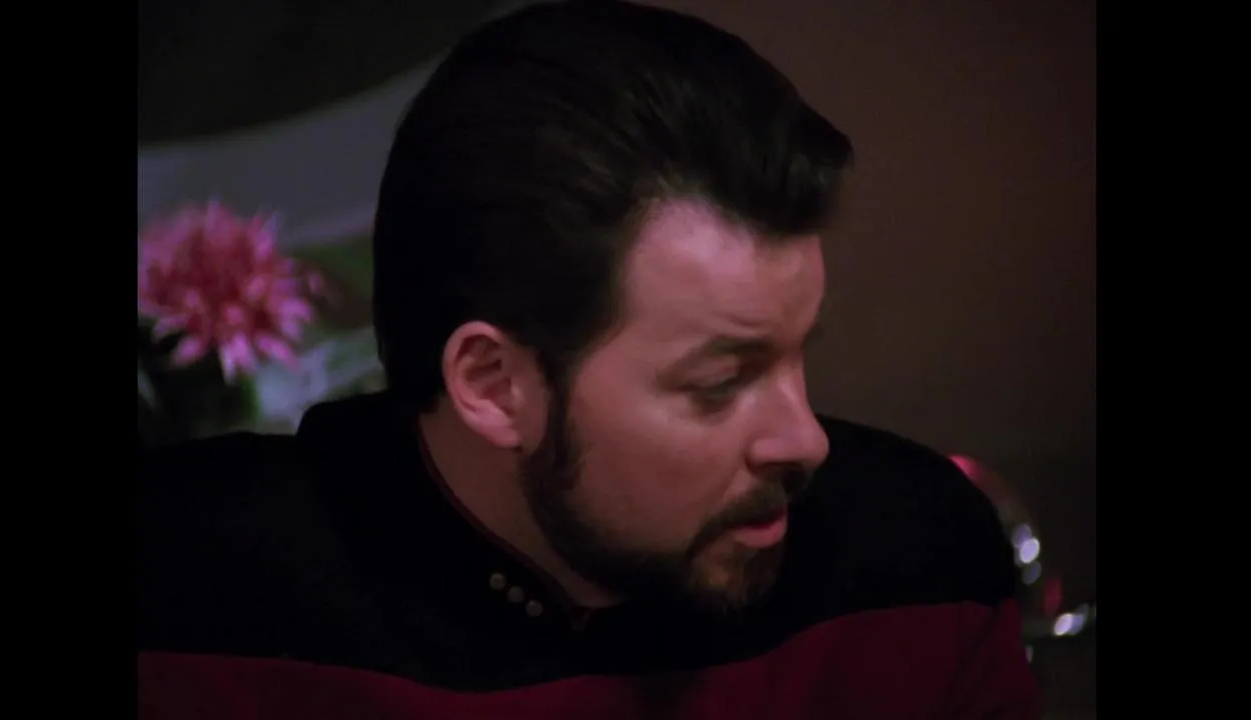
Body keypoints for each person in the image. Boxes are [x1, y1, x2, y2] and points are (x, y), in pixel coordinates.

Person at [137, 1, 1041, 717]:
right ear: (495, 385)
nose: (806, 441)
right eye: (721, 381)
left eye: (796, 353)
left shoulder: (919, 568)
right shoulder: (192, 604)